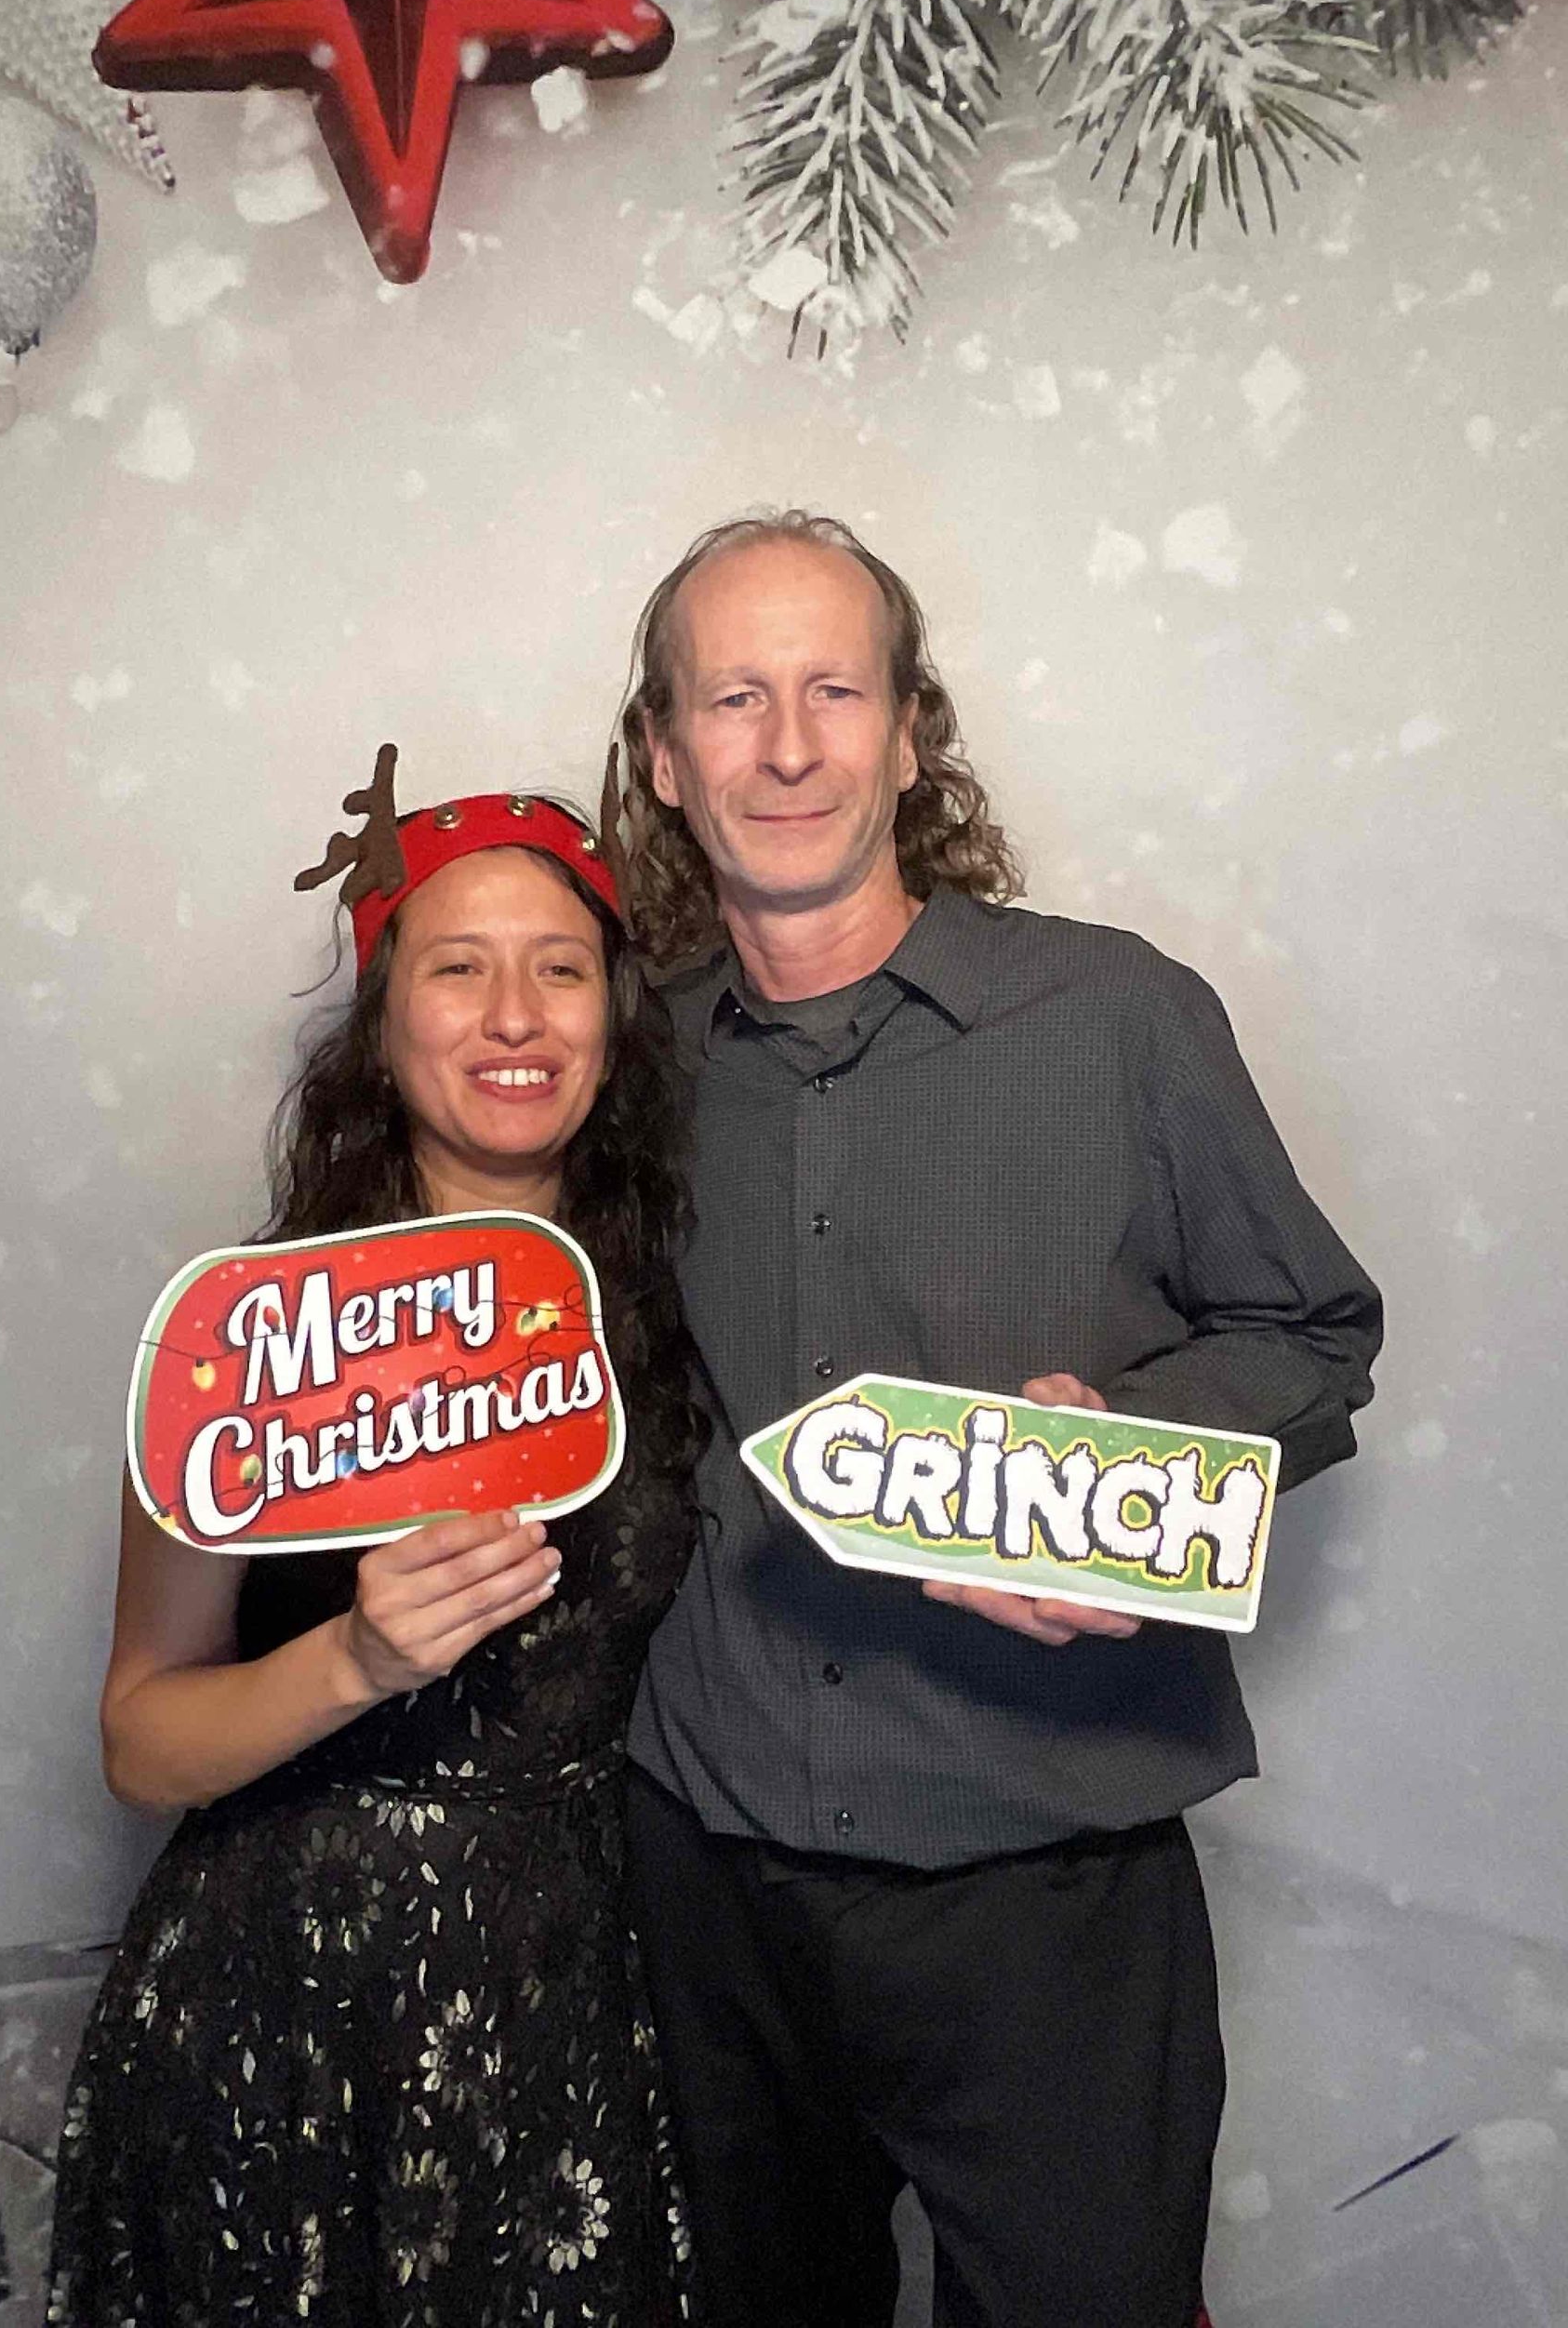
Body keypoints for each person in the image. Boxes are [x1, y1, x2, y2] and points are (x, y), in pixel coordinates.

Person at [613, 511, 1384, 2328]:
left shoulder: (1119, 1018)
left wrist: (1128, 1445)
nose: (787, 744)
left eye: (833, 690)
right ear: (663, 750)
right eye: (734, 696)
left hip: (1047, 1890)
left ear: (905, 731)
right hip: (702, 1873)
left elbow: (1311, 1329)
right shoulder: (621, 1055)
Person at [46, 763, 704, 2327]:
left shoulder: (681, 1308)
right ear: (382, 1018)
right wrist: (350, 1655)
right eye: (457, 968)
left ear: (612, 1020)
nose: (514, 1017)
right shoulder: (250, 1342)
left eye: (560, 970)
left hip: (575, 2003)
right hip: (288, 2001)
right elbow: (141, 1735)